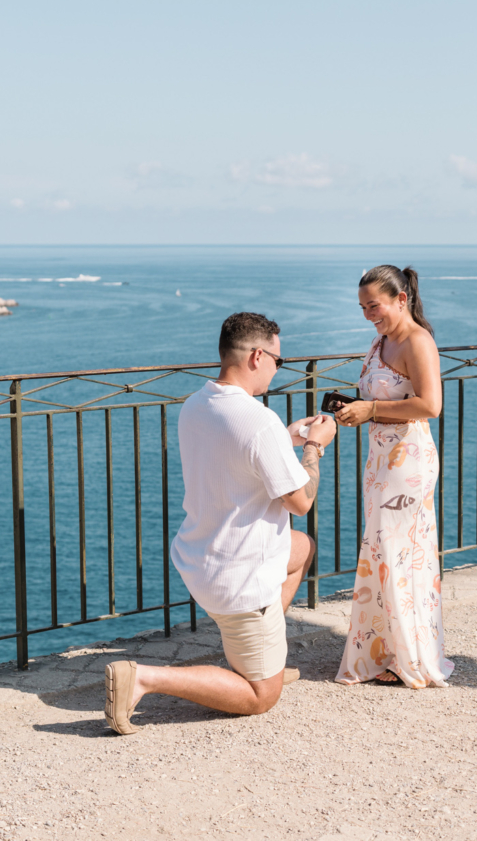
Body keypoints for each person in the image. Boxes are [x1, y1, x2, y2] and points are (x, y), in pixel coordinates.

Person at [104, 312, 336, 733]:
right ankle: (144, 677)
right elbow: (300, 501)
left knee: (302, 548)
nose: (277, 370)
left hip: (200, 559)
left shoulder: (197, 404)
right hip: (242, 579)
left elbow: (236, 453)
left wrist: (286, 439)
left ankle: (265, 653)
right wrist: (315, 448)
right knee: (260, 697)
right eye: (278, 361)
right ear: (256, 356)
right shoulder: (258, 420)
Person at [330, 265, 455, 687]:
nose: (368, 313)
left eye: (375, 305)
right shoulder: (380, 341)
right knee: (385, 552)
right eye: (363, 307)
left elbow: (430, 405)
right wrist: (356, 408)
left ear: (402, 299)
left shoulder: (418, 341)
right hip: (381, 461)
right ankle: (386, 651)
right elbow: (378, 395)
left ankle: (407, 657)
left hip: (408, 462)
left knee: (397, 552)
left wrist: (373, 410)